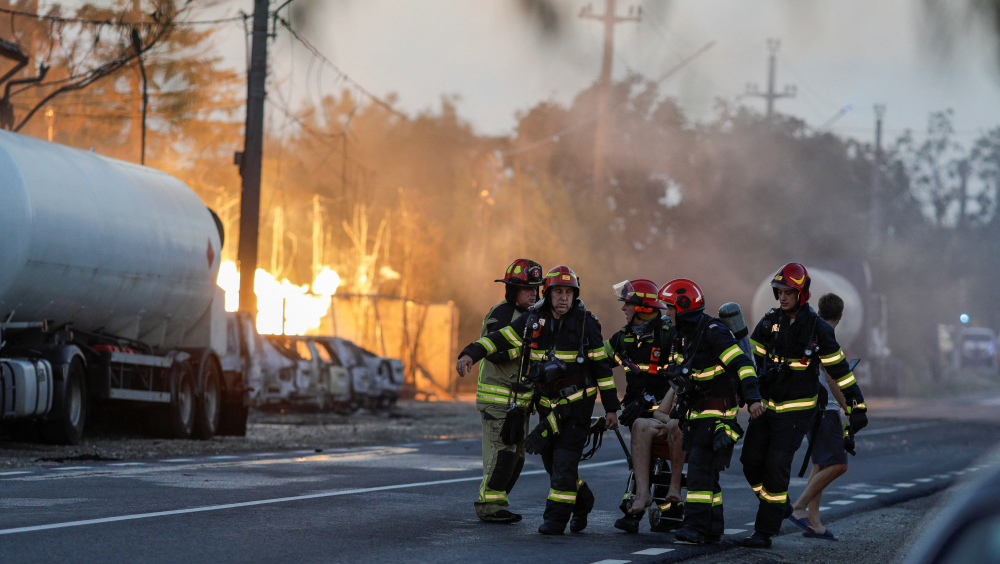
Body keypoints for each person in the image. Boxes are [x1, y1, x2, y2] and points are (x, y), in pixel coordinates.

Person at [456, 265, 621, 535]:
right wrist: (470, 354)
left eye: (569, 292)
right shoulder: (533, 319)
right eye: (558, 292)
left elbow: (602, 368)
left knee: (564, 462)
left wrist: (612, 408)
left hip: (577, 406)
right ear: (549, 293)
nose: (563, 298)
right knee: (551, 463)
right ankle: (583, 500)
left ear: (575, 294)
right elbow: (500, 338)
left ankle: (555, 521)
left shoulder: (586, 322)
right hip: (547, 407)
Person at [741, 263, 868, 549]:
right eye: (780, 292)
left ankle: (764, 532)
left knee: (776, 468)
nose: (783, 297)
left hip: (796, 413)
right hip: (765, 409)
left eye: (789, 292)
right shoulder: (769, 321)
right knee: (750, 462)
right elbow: (749, 362)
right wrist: (749, 395)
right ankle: (779, 505)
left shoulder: (819, 329)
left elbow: (840, 371)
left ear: (803, 293)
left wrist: (857, 406)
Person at [655, 278, 764, 544]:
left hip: (717, 417)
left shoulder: (713, 332)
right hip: (697, 415)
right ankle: (713, 526)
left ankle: (694, 528)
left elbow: (742, 365)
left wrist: (752, 398)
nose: (666, 314)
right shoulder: (684, 336)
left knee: (700, 473)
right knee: (708, 472)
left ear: (682, 307)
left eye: (669, 308)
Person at [463, 258, 544, 524]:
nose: (533, 293)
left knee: (516, 458)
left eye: (536, 288)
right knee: (502, 454)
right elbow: (495, 352)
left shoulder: (535, 317)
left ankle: (497, 501)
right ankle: (489, 506)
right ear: (511, 290)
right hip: (498, 401)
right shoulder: (501, 313)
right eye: (526, 289)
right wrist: (528, 348)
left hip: (520, 404)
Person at [602, 279, 684, 533]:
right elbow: (599, 362)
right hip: (636, 411)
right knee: (647, 456)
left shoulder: (668, 333)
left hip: (666, 410)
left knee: (653, 457)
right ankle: (668, 510)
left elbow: (681, 376)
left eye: (627, 303)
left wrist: (649, 400)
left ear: (642, 307)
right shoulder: (624, 337)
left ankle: (637, 510)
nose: (623, 308)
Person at [789, 293, 850, 541]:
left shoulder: (811, 331)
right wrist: (848, 406)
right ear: (841, 316)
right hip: (825, 409)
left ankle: (814, 523)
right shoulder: (827, 336)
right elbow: (831, 378)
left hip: (808, 405)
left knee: (820, 464)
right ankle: (798, 506)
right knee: (839, 464)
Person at [615, 387, 684, 533]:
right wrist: (667, 420)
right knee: (640, 424)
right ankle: (642, 494)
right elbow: (658, 412)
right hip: (671, 424)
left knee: (675, 425)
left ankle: (674, 487)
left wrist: (673, 423)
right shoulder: (678, 383)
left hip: (691, 429)